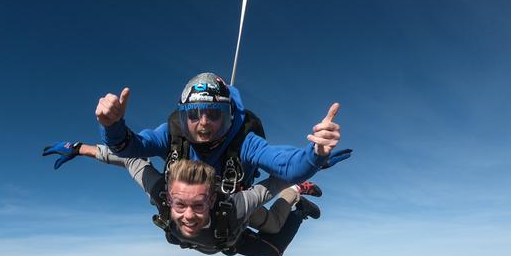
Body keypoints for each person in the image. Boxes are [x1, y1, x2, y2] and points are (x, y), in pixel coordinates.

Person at [43, 142, 323, 256]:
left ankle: (298, 196)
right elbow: (130, 158)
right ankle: (296, 196)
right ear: (170, 198)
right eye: (180, 205)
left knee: (274, 233)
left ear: (212, 198)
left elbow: (272, 184)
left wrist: (311, 161)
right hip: (225, 234)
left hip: (232, 226)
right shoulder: (162, 195)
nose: (188, 215)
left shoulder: (235, 206)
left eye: (198, 205)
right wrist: (78, 148)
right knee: (272, 230)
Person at [94, 72, 350, 193]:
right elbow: (131, 147)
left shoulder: (243, 141)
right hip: (194, 207)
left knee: (269, 236)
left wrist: (314, 155)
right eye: (193, 115)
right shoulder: (171, 134)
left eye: (214, 114)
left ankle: (296, 196)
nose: (203, 122)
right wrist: (112, 127)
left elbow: (284, 164)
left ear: (228, 116)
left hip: (233, 199)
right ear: (183, 117)